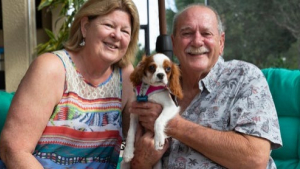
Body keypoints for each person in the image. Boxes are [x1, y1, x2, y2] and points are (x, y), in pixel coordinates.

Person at [128, 3, 282, 169]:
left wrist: (173, 125)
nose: (196, 41)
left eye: (206, 33)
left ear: (221, 42)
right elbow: (134, 153)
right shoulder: (155, 87)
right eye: (187, 33)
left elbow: (255, 159)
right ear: (173, 43)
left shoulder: (244, 77)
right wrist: (141, 162)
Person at [0, 0, 139, 168]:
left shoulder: (125, 76)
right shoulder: (52, 68)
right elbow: (14, 149)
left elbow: (137, 141)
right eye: (109, 25)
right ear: (85, 27)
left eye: (125, 31)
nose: (117, 35)